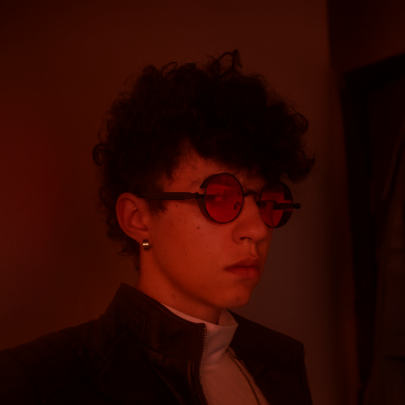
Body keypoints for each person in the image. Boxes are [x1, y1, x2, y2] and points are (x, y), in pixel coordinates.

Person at [0, 50, 314, 404]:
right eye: (220, 197)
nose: (257, 230)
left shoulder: (280, 362)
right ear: (138, 219)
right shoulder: (39, 384)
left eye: (268, 201)